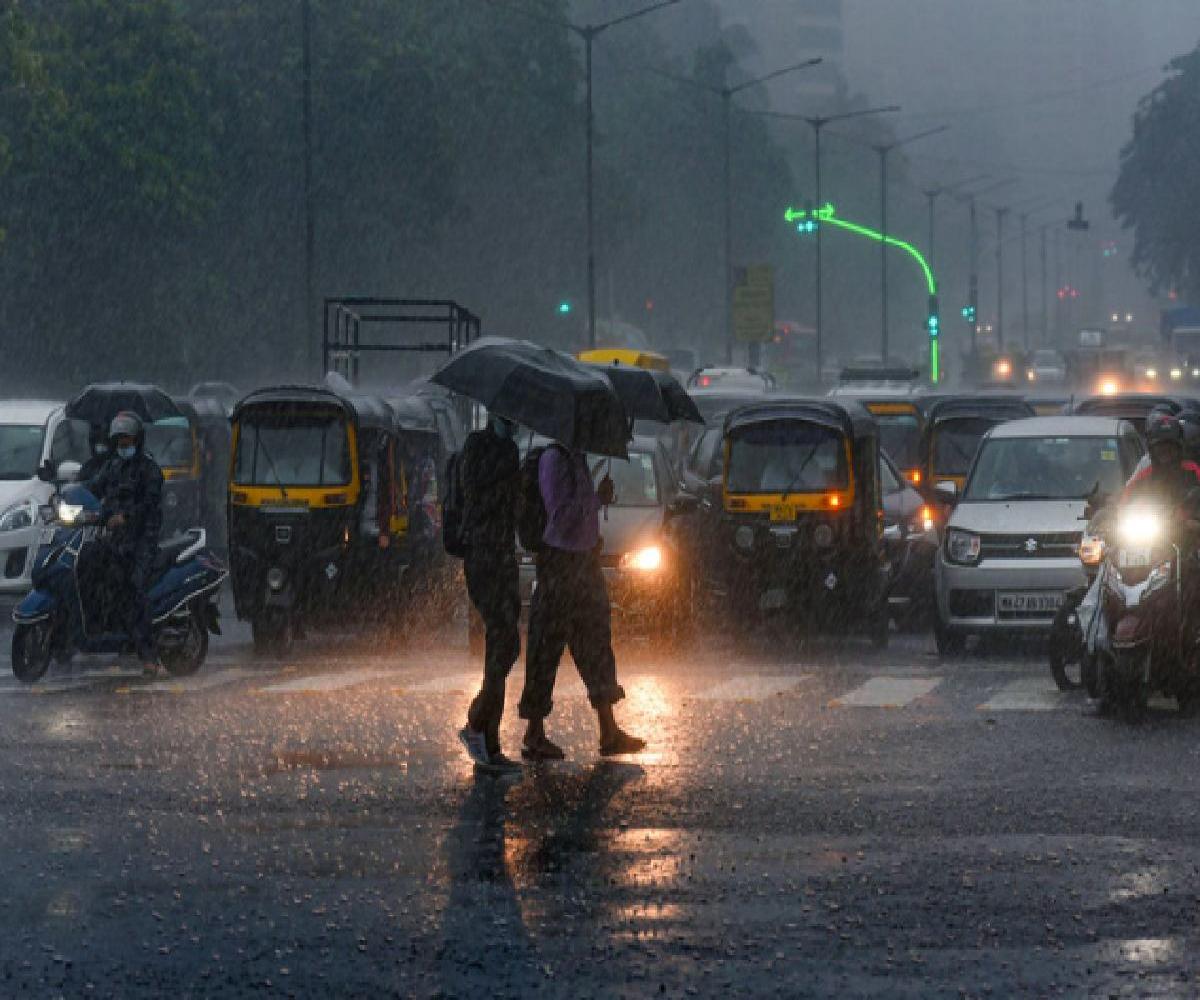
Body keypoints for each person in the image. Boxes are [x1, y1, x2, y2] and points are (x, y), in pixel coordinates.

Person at [518, 444, 645, 760]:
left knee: (596, 645)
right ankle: (534, 733)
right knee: (546, 649)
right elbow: (560, 514)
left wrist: (598, 498)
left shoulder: (578, 459)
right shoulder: (554, 460)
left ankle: (609, 730)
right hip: (561, 564)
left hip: (585, 563)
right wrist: (592, 500)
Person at [457, 415, 523, 771]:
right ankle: (482, 731)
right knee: (502, 640)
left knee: (507, 644)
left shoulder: (511, 451)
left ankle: (482, 726)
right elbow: (476, 496)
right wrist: (508, 482)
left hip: (503, 555)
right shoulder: (476, 446)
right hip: (482, 556)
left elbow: (512, 510)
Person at [86, 411, 164, 676]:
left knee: (134, 589)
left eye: (127, 440)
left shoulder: (149, 470)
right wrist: (68, 494)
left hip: (143, 539)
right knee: (91, 568)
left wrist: (126, 517)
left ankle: (149, 654)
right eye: (119, 440)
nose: (123, 445)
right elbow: (92, 488)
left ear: (138, 440)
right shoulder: (111, 467)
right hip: (115, 538)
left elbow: (149, 504)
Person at [1120, 412, 1200, 507]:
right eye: (1160, 447)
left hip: (1187, 519)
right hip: (1151, 520)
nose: (1165, 452)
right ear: (1152, 450)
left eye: (1170, 447)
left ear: (1179, 449)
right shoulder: (1142, 477)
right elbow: (1124, 504)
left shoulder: (1193, 471)